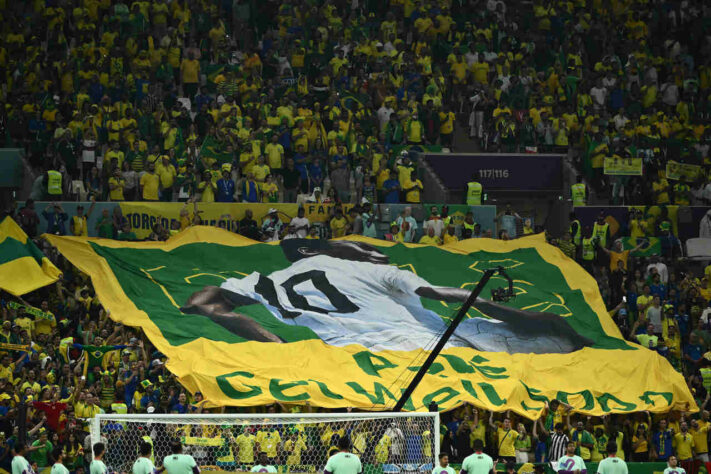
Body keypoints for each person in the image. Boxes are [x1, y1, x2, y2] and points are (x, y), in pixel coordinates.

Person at [181, 239, 592, 354]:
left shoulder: (263, 282)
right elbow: (449, 293)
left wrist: (279, 346)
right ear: (322, 249)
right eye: (362, 244)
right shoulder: (362, 267)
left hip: (368, 360)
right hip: (439, 343)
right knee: (565, 342)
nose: (373, 250)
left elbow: (202, 302)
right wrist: (532, 319)